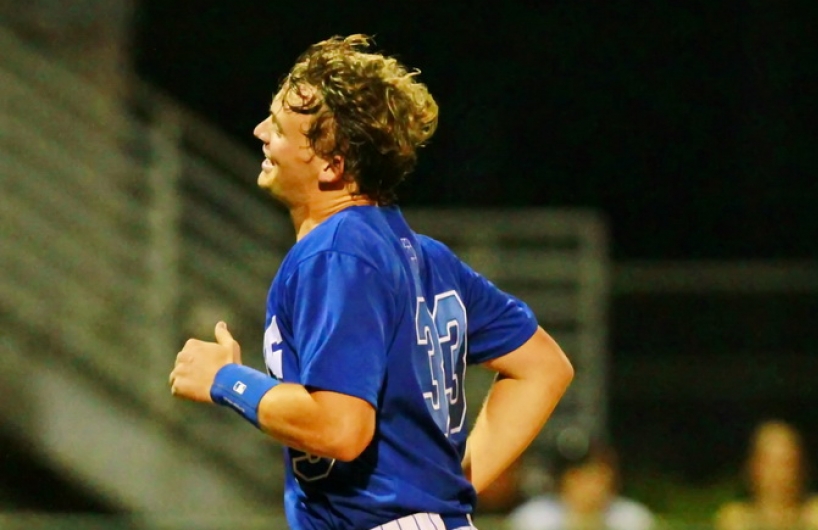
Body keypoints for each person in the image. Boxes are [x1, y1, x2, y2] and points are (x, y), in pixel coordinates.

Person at [168, 34, 574, 530]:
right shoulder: (424, 256)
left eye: (277, 126)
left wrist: (225, 380)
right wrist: (445, 486)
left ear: (333, 164)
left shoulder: (336, 253)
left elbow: (341, 428)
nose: (259, 132)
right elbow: (543, 367)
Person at [714, 420, 818, 530]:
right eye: (769, 464)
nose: (778, 475)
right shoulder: (736, 521)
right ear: (753, 468)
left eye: (787, 464)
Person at [507, 442, 655, 530]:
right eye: (582, 479)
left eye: (598, 479)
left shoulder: (632, 518)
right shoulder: (533, 518)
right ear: (564, 481)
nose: (592, 488)